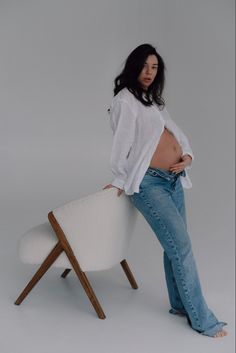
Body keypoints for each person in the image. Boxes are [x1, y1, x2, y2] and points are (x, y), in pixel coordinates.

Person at [103, 43, 228, 338]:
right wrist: (121, 179)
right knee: (181, 248)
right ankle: (203, 320)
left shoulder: (152, 100)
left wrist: (187, 155)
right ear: (134, 67)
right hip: (148, 182)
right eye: (145, 66)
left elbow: (173, 130)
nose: (149, 72)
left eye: (155, 67)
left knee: (176, 246)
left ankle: (180, 305)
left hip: (172, 178)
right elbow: (121, 145)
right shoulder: (125, 100)